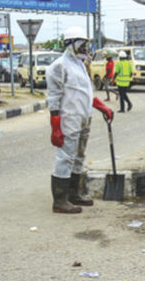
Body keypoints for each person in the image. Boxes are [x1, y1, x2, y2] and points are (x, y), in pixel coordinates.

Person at [46, 27, 113, 214]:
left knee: (79, 157)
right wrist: (55, 127)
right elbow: (54, 99)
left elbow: (88, 93)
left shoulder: (80, 65)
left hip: (84, 118)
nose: (86, 49)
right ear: (71, 44)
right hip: (68, 119)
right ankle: (59, 200)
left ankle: (73, 194)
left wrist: (103, 108)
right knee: (65, 158)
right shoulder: (59, 66)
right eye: (82, 45)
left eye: (86, 45)